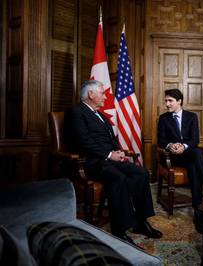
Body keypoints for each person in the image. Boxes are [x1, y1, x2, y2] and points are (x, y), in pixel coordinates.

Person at [64, 80, 162, 247]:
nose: (105, 96)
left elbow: (111, 139)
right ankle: (120, 228)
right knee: (118, 177)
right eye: (102, 93)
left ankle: (140, 222)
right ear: (90, 94)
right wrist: (109, 154)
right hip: (91, 162)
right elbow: (83, 141)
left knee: (142, 173)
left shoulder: (100, 115)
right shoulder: (75, 112)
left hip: (109, 159)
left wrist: (119, 152)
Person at [157, 88, 203, 232]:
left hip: (188, 154)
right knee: (197, 154)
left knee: (194, 160)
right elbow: (161, 140)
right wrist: (171, 145)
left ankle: (197, 210)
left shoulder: (192, 117)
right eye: (166, 100)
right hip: (172, 157)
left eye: (170, 101)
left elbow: (195, 139)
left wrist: (184, 147)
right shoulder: (163, 118)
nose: (167, 104)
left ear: (179, 101)